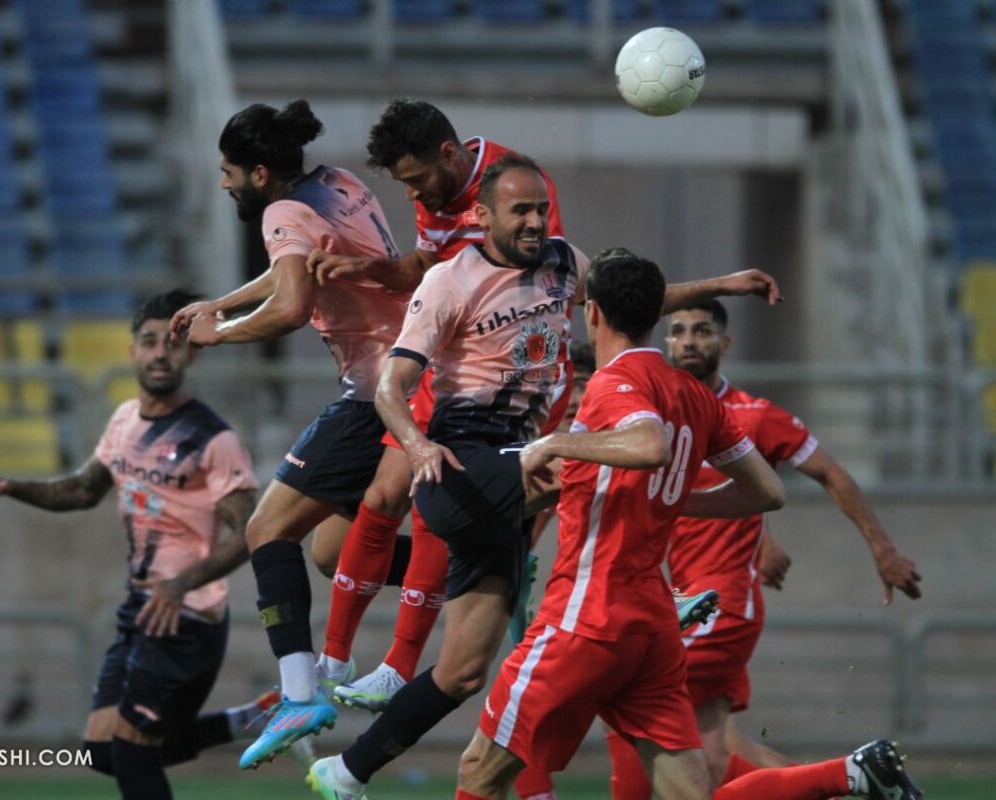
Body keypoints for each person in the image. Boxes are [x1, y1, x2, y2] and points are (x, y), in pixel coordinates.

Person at [306, 155, 786, 800]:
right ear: (483, 216)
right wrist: (417, 446)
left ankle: (346, 771)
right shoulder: (450, 282)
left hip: (514, 464)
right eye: (520, 211)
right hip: (461, 460)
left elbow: (629, 299)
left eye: (540, 209)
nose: (535, 222)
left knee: (464, 671)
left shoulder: (563, 263)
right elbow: (394, 384)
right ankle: (643, 594)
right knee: (579, 465)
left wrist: (723, 284)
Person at [452, 251, 923, 800]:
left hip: (587, 615)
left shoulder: (612, 384)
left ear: (594, 314)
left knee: (480, 772)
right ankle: (845, 774)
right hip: (652, 626)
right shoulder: (696, 397)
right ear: (657, 319)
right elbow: (766, 492)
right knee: (691, 792)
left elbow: (649, 445)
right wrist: (675, 502)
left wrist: (553, 441)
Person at [310, 101, 568, 745]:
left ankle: (397, 665)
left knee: (424, 506)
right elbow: (425, 266)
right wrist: (366, 268)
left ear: (451, 159)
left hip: (503, 385)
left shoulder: (517, 189)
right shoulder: (440, 195)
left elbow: (537, 279)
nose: (411, 194)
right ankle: (334, 662)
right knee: (378, 501)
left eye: (416, 179)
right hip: (446, 367)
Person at [167, 100, 412, 770]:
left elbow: (293, 302)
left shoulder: (282, 212)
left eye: (228, 172)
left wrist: (222, 333)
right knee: (336, 554)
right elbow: (289, 272)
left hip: (378, 390)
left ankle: (301, 693)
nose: (224, 184)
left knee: (266, 531)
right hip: (416, 377)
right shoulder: (336, 183)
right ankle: (474, 564)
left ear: (260, 172)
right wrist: (221, 301)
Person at [599, 300, 924, 798]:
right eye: (679, 331)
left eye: (703, 331)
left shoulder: (752, 415)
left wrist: (883, 550)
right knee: (711, 757)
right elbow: (731, 490)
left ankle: (850, 772)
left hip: (721, 604)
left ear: (724, 344)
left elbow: (830, 473)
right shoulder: (657, 413)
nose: (689, 341)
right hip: (685, 599)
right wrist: (763, 536)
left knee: (629, 689)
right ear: (665, 342)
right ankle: (849, 781)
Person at [0, 290, 268, 800]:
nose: (160, 353)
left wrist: (180, 584)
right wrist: (7, 485)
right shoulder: (124, 420)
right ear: (132, 354)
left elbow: (250, 532)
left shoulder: (213, 438)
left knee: (133, 752)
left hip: (184, 615)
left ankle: (256, 719)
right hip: (142, 605)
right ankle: (254, 719)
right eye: (149, 342)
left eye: (173, 343)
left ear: (192, 354)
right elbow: (81, 489)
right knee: (103, 750)